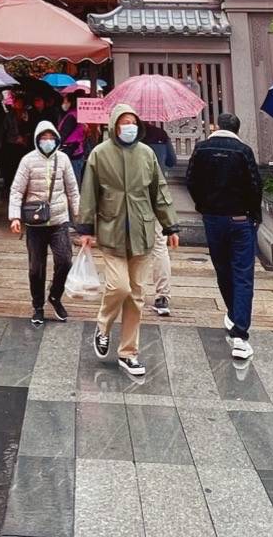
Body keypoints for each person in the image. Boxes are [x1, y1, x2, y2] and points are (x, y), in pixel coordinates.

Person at [76, 102, 178, 379]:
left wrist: (170, 225)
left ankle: (128, 352)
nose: (129, 127)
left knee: (137, 295)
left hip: (143, 232)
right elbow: (88, 192)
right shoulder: (99, 154)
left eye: (133, 122)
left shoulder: (146, 154)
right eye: (124, 122)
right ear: (114, 125)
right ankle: (103, 325)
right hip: (111, 231)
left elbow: (160, 191)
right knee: (119, 287)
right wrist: (86, 227)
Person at [185, 111, 263, 361]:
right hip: (240, 219)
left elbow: (191, 181)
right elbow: (255, 186)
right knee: (243, 274)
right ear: (237, 129)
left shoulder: (201, 148)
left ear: (217, 126)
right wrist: (254, 214)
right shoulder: (244, 151)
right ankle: (240, 333)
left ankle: (233, 313)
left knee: (222, 269)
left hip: (213, 219)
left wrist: (203, 205)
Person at [9, 118, 80, 324]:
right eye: (43, 138)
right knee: (36, 268)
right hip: (35, 223)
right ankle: (38, 305)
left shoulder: (63, 159)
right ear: (37, 140)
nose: (47, 141)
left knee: (65, 260)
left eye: (51, 137)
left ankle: (55, 295)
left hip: (59, 220)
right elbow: (16, 190)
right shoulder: (28, 160)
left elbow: (73, 190)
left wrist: (80, 218)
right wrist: (15, 216)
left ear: (56, 139)